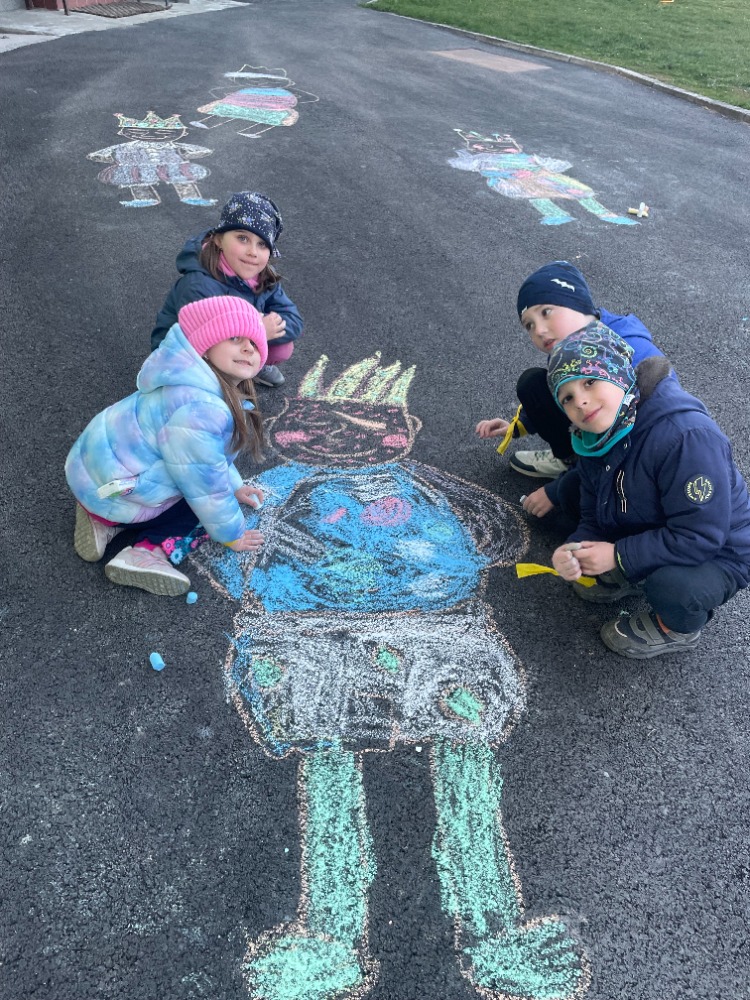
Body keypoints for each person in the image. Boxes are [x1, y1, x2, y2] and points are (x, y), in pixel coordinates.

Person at [546, 325, 750, 659]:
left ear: (619, 374)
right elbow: (592, 511)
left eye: (590, 381)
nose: (580, 401)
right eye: (566, 397)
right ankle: (633, 570)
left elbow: (700, 535)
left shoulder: (686, 438)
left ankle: (679, 628)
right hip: (655, 520)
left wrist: (617, 555)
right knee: (572, 490)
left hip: (720, 549)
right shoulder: (594, 437)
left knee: (674, 588)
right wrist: (576, 548)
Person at [66, 296, 268, 597]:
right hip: (116, 491)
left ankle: (101, 522)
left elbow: (206, 457)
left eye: (254, 342)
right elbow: (205, 483)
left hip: (97, 480)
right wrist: (232, 534)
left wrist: (235, 484)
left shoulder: (183, 382)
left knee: (199, 480)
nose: (248, 348)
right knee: (201, 506)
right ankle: (146, 553)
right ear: (205, 346)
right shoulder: (201, 410)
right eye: (234, 338)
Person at [475, 261, 664, 520]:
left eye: (547, 312)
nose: (539, 330)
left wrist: (557, 491)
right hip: (608, 435)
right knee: (534, 384)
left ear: (577, 302)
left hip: (640, 457)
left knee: (565, 519)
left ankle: (585, 475)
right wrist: (518, 426)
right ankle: (571, 460)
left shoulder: (627, 352)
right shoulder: (572, 346)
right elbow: (563, 394)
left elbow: (629, 443)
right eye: (529, 325)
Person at [151, 191, 303, 388]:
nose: (252, 252)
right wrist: (257, 328)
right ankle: (217, 386)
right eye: (242, 238)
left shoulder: (263, 276)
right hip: (182, 357)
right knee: (214, 381)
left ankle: (242, 371)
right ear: (218, 239)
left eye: (262, 244)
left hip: (231, 344)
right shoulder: (199, 285)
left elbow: (294, 320)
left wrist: (257, 330)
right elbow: (204, 341)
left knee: (282, 347)